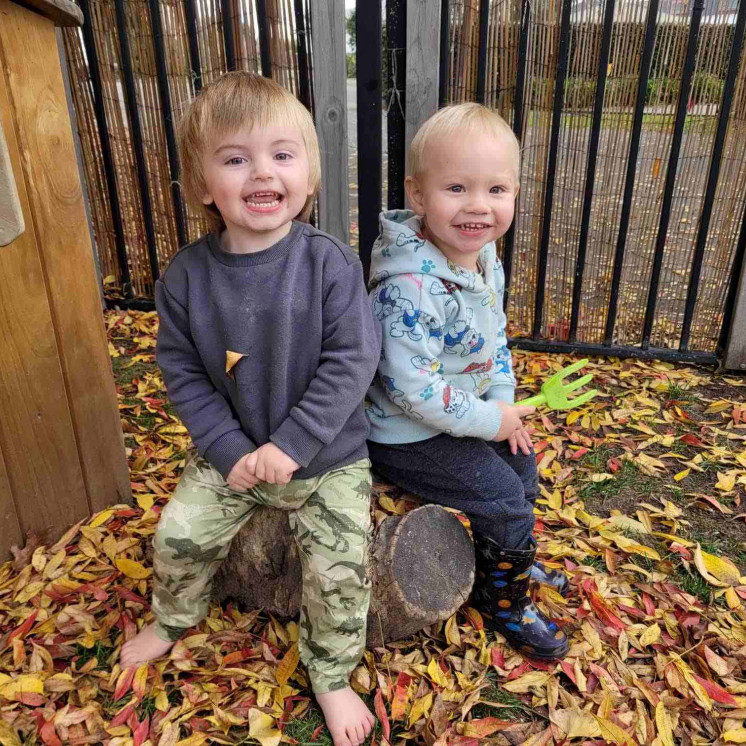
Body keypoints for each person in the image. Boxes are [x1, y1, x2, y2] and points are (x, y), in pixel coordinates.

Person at [120, 72, 381, 746]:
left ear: (310, 175)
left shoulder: (329, 264)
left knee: (341, 572)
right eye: (236, 159)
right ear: (205, 185)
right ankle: (174, 617)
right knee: (178, 534)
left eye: (282, 155)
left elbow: (351, 360)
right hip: (231, 457)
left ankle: (329, 674)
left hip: (325, 460)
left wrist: (292, 445)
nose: (262, 172)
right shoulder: (185, 278)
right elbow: (182, 372)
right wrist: (231, 450)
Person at [365, 103, 569, 660]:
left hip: (466, 411)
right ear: (418, 195)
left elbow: (494, 338)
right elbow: (411, 388)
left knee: (521, 468)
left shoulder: (482, 258)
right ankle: (500, 597)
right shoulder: (407, 287)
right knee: (505, 499)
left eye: (496, 189)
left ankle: (506, 555)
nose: (478, 206)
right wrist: (489, 419)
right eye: (457, 187)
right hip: (406, 433)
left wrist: (502, 405)